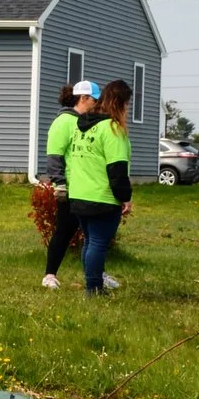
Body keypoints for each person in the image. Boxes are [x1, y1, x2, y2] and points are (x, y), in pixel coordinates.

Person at [66, 79, 135, 294]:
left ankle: (92, 283)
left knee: (90, 241)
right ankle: (93, 288)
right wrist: (125, 196)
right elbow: (117, 168)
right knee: (97, 243)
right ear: (121, 103)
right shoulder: (112, 129)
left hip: (78, 193)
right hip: (101, 196)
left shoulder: (83, 127)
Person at [40, 80, 100, 289]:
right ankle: (49, 275)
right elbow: (54, 155)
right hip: (70, 188)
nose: (97, 104)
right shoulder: (64, 121)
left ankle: (96, 274)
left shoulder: (88, 122)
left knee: (94, 234)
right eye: (95, 100)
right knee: (64, 231)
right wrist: (60, 183)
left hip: (88, 187)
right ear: (83, 98)